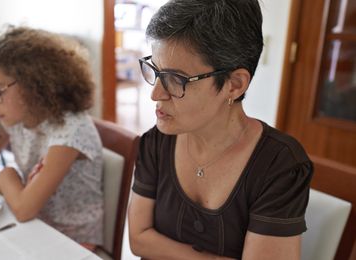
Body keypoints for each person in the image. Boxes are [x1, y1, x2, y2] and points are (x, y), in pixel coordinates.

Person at [128, 0, 313, 259]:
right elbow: (138, 240)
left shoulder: (280, 165)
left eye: (176, 79)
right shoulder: (155, 143)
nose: (155, 93)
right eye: (155, 71)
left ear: (234, 85)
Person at [0, 25, 103, 250]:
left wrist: (7, 176)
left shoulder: (69, 130)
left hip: (72, 240)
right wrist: (13, 190)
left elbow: (24, 210)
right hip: (36, 226)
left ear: (33, 82)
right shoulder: (13, 117)